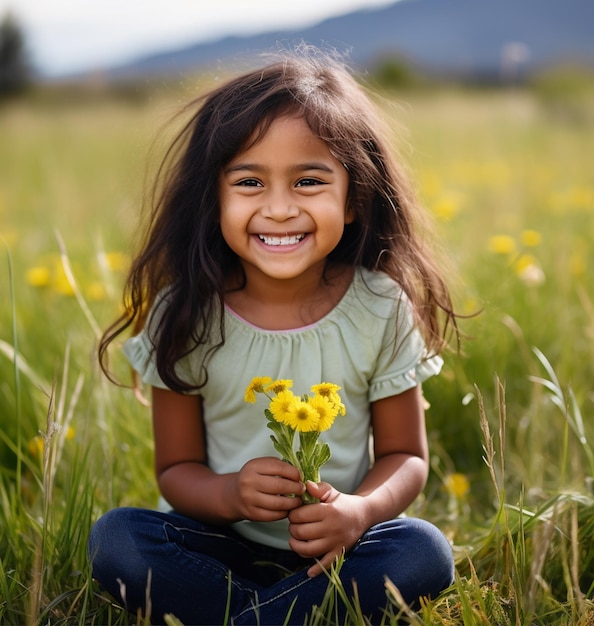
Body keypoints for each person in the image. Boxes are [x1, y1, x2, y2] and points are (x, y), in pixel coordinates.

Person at [89, 50, 459, 625]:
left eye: (309, 181)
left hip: (339, 549)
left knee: (423, 551)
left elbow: (404, 455)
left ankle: (245, 617)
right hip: (217, 543)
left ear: (355, 197)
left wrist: (360, 512)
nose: (280, 208)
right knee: (118, 540)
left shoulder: (379, 308)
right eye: (249, 181)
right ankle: (286, 616)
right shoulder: (183, 314)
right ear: (214, 200)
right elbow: (176, 470)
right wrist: (231, 496)